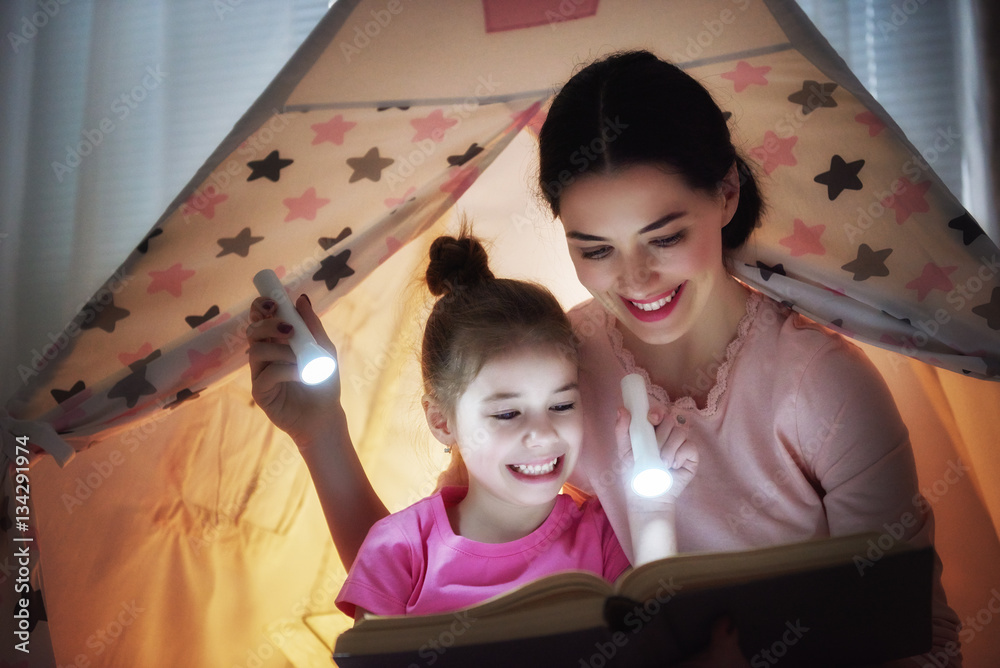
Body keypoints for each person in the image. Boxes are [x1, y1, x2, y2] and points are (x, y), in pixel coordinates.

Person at [536, 50, 961, 666]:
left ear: (727, 193)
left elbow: (918, 638)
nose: (635, 279)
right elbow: (458, 553)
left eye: (665, 237)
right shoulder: (559, 366)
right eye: (596, 249)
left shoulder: (823, 388)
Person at [249, 232, 695, 620]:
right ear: (442, 421)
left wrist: (654, 513)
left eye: (561, 405)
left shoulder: (604, 535)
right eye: (506, 413)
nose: (542, 434)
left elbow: (656, 639)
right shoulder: (398, 550)